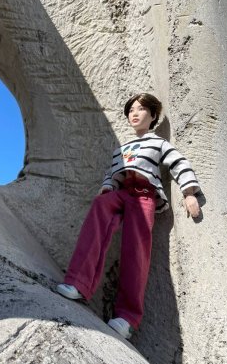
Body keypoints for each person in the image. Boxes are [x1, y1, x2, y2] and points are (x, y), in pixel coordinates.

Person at [56, 93, 201, 339]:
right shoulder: (120, 150)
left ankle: (127, 317)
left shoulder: (158, 144)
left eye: (141, 109)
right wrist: (107, 186)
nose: (134, 113)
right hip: (121, 192)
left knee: (137, 251)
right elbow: (111, 172)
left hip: (144, 197)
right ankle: (79, 283)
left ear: (153, 115)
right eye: (131, 110)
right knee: (99, 212)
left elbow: (178, 163)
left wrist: (189, 192)